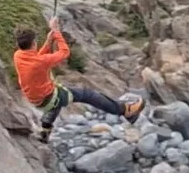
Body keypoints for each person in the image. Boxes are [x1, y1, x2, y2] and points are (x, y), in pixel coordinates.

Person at [13, 17, 146, 143]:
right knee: (87, 95)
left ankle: (45, 132)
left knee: (58, 101)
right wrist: (56, 31)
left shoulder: (18, 56)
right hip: (49, 98)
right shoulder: (40, 62)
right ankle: (124, 110)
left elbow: (37, 58)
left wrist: (48, 42)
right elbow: (64, 52)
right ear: (34, 43)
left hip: (35, 99)